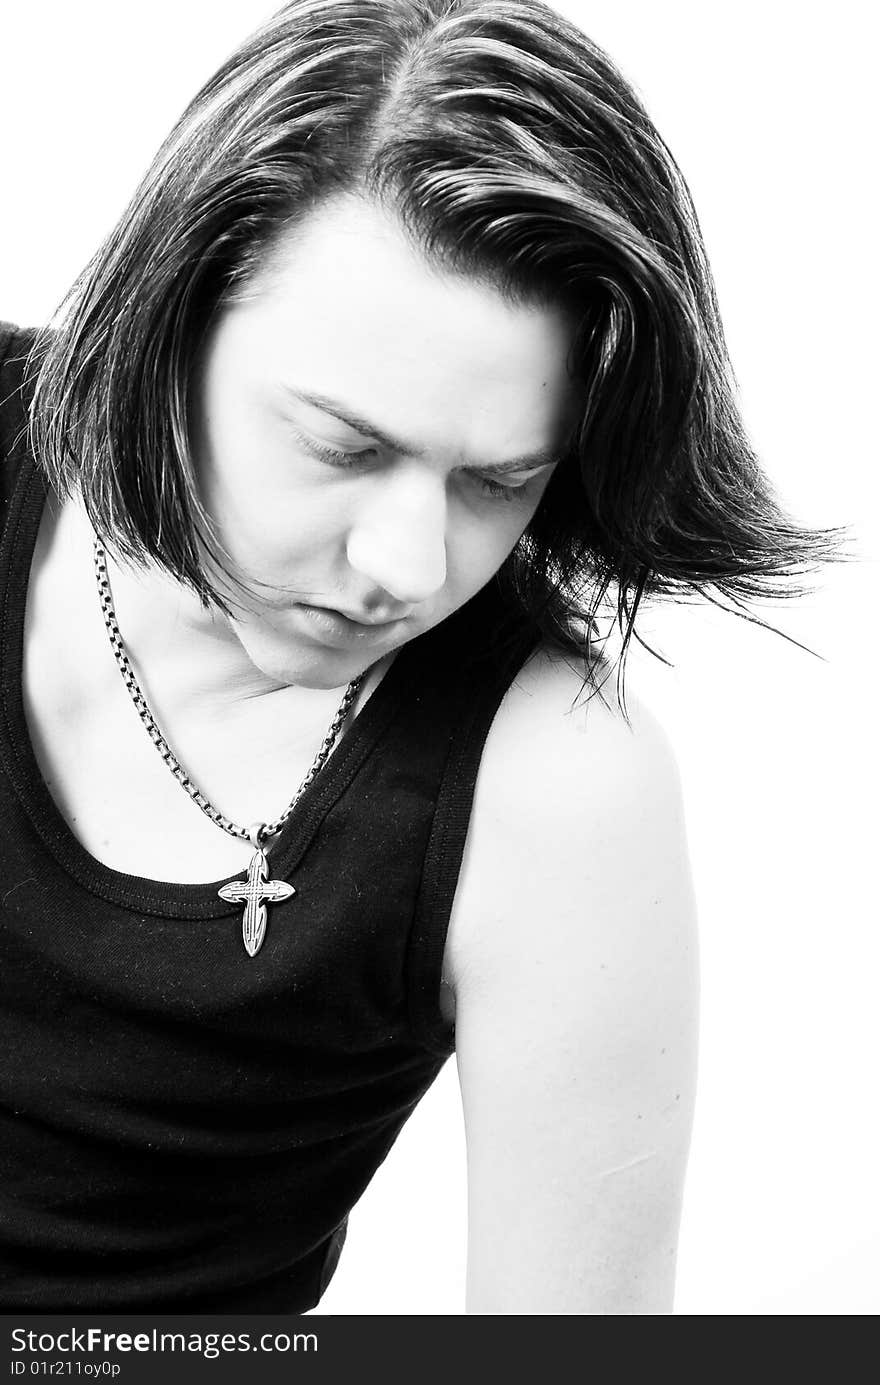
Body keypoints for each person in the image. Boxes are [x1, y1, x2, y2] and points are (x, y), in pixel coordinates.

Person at [0, 0, 845, 1315]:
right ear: (177, 316)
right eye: (341, 445)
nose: (408, 561)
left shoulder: (554, 785)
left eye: (498, 481)